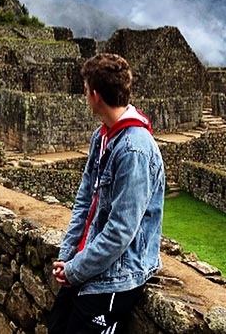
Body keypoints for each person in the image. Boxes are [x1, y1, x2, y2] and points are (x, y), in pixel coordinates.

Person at [48, 53, 165, 334]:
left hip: (117, 276)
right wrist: (68, 256)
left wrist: (75, 270)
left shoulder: (134, 150)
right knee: (56, 327)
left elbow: (120, 232)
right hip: (90, 264)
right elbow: (85, 200)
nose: (85, 94)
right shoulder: (102, 137)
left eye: (86, 89)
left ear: (96, 95)